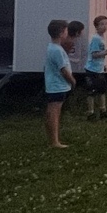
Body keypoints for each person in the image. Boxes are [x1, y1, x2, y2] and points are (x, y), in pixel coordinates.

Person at [41, 18, 73, 148]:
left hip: (53, 84)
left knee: (52, 112)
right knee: (54, 113)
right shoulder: (57, 50)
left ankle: (53, 139)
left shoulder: (52, 47)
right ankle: (54, 142)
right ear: (61, 33)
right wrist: (72, 80)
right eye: (66, 31)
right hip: (58, 85)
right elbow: (63, 70)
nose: (67, 33)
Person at [81, 15, 107, 120]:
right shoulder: (95, 39)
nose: (105, 26)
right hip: (92, 69)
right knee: (92, 91)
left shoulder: (102, 38)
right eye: (102, 24)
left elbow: (101, 53)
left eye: (106, 23)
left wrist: (104, 65)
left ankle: (103, 110)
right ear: (96, 26)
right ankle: (91, 113)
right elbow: (94, 54)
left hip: (99, 69)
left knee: (102, 90)